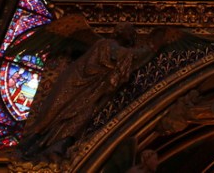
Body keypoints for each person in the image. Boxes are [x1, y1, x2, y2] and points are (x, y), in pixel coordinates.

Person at [21, 23, 151, 158]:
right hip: (77, 86)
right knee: (58, 114)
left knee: (81, 117)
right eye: (129, 31)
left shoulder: (116, 48)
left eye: (133, 34)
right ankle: (36, 145)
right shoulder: (105, 44)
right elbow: (120, 55)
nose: (132, 35)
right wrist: (150, 49)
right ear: (119, 31)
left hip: (93, 91)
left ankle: (57, 147)